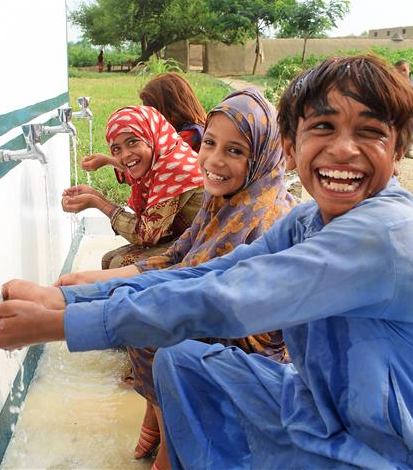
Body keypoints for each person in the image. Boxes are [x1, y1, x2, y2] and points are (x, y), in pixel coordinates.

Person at [0, 55, 413, 469]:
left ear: (398, 151)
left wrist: (60, 324)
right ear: (291, 146)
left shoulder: (383, 234)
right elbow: (209, 271)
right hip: (326, 409)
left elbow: (226, 298)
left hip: (387, 452)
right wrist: (65, 299)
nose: (343, 149)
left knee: (175, 336)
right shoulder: (309, 219)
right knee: (183, 362)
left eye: (371, 132)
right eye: (323, 127)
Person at [57, 87, 295, 467]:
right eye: (210, 143)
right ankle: (159, 418)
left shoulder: (263, 217)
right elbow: (177, 254)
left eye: (235, 151)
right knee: (126, 291)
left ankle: (170, 446)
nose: (213, 159)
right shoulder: (223, 198)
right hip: (216, 303)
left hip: (255, 344)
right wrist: (95, 281)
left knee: (148, 327)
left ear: (263, 154)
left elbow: (189, 277)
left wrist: (94, 298)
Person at [63, 105, 204, 269]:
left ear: (150, 136)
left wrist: (97, 202)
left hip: (207, 247)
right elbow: (135, 170)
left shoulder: (172, 168)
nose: (125, 155)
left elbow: (145, 235)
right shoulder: (164, 157)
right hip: (187, 237)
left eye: (132, 142)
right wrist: (96, 189)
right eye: (116, 149)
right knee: (108, 259)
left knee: (120, 264)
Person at [81, 73, 208, 176]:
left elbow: (151, 168)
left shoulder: (188, 137)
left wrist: (107, 160)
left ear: (169, 111)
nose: (148, 120)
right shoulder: (200, 128)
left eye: (152, 113)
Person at [394, 59, 413, 159]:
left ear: (410, 70)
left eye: (405, 70)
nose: (403, 72)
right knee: (398, 130)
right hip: (399, 110)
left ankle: (407, 150)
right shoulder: (395, 82)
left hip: (411, 111)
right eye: (400, 70)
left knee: (410, 130)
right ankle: (398, 151)